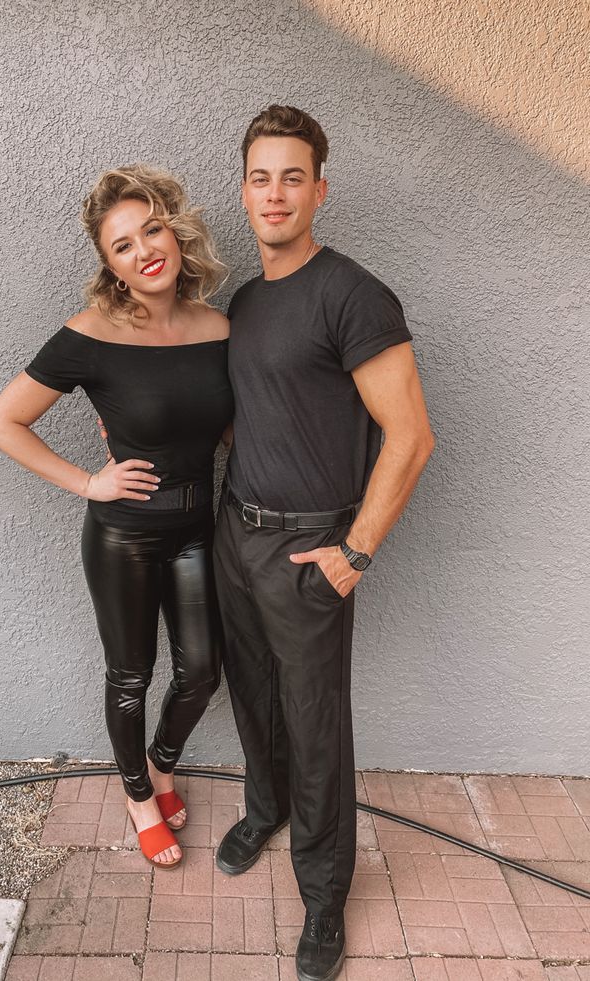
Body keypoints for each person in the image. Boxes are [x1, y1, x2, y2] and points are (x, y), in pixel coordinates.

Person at [212, 105, 435, 981]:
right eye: (261, 177)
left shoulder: (352, 293)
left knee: (315, 726)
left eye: (292, 176)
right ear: (245, 189)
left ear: (319, 190)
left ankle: (322, 894)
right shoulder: (248, 299)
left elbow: (411, 435)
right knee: (253, 695)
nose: (275, 193)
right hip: (239, 531)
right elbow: (257, 418)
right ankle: (262, 810)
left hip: (311, 551)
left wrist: (356, 551)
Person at [0, 165, 234, 870]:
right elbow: (2, 422)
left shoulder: (219, 326)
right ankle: (138, 795)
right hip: (123, 534)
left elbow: (229, 428)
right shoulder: (89, 334)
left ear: (176, 232)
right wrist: (89, 481)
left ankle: (159, 764)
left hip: (196, 529)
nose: (144, 250)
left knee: (203, 670)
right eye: (122, 245)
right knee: (131, 675)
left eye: (152, 229)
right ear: (111, 267)